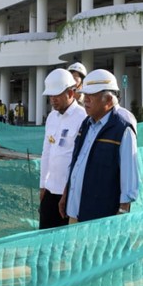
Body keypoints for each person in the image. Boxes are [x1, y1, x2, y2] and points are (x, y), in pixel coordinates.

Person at [60, 69, 139, 223]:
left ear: (108, 100)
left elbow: (129, 182)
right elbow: (76, 162)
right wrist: (66, 194)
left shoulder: (123, 131)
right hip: (75, 212)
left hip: (101, 220)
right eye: (85, 95)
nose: (85, 100)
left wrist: (121, 215)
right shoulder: (86, 124)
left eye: (91, 96)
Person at [39, 69, 87, 229]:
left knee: (66, 244)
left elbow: (81, 159)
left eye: (57, 95)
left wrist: (69, 192)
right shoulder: (52, 117)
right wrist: (42, 185)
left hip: (69, 195)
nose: (53, 100)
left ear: (71, 93)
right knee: (45, 241)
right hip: (50, 191)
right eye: (50, 96)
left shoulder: (83, 118)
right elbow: (46, 153)